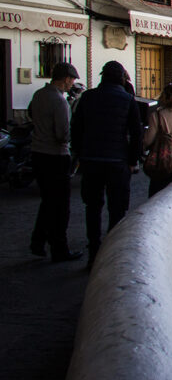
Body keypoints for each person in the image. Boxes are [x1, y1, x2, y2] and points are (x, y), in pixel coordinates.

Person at [71, 60, 142, 267]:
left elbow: (76, 128)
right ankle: (112, 256)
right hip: (117, 162)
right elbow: (136, 134)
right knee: (117, 210)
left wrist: (81, 154)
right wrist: (132, 160)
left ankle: (93, 252)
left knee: (92, 208)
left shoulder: (88, 97)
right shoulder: (128, 100)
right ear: (121, 77)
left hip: (91, 161)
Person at [28, 62, 82, 262]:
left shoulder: (39, 95)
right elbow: (62, 134)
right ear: (65, 78)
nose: (72, 83)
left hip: (38, 153)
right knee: (60, 206)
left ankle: (38, 242)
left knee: (48, 201)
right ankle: (59, 249)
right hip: (56, 156)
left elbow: (30, 113)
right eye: (72, 80)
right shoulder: (60, 101)